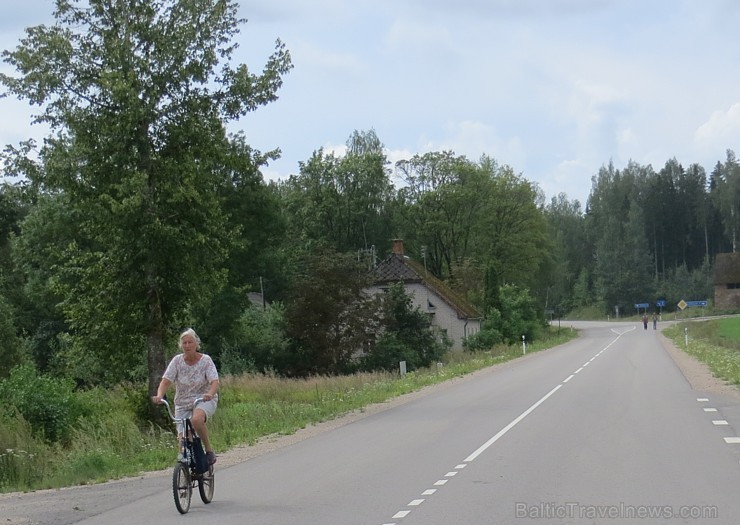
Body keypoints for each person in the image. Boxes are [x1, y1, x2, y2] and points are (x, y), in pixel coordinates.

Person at [152, 328, 219, 465]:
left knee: (196, 419)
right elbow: (166, 381)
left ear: (196, 344)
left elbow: (214, 382)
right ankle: (185, 471)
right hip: (182, 403)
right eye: (184, 343)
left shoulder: (205, 360)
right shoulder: (177, 361)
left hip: (202, 399)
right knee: (183, 439)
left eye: (190, 342)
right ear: (181, 345)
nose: (187, 346)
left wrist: (210, 394)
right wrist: (159, 396)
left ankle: (209, 450)